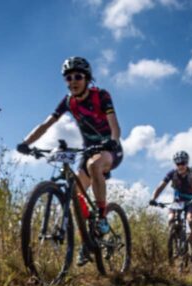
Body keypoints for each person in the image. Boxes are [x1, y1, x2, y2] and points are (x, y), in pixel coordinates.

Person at [16, 56, 122, 265]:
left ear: (87, 79)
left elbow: (114, 125)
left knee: (94, 165)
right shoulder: (68, 102)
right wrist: (26, 143)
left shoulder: (101, 96)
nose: (73, 81)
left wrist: (113, 141)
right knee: (75, 195)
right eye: (68, 77)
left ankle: (101, 216)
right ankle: (87, 243)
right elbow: (46, 124)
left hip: (109, 149)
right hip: (87, 150)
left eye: (78, 77)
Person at [149, 151, 192, 260]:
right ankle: (175, 241)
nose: (181, 165)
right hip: (177, 202)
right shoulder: (172, 173)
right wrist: (153, 198)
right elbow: (160, 187)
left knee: (190, 220)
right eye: (178, 164)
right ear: (175, 164)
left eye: (183, 163)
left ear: (187, 163)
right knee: (171, 219)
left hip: (191, 201)